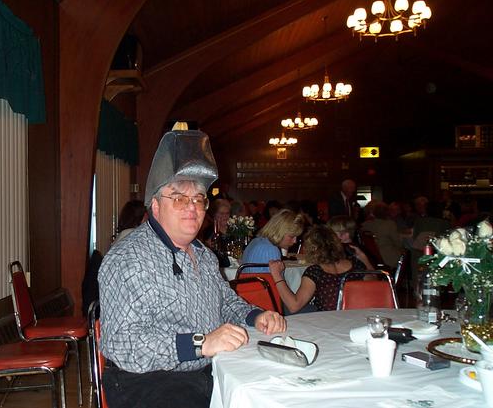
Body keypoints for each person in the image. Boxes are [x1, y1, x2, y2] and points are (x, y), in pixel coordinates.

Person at [98, 130, 286, 408]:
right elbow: (124, 344)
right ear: (156, 206)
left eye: (198, 199)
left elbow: (226, 302)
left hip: (205, 369)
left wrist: (256, 316)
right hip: (145, 381)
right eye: (179, 198)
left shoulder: (204, 255)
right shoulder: (129, 258)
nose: (192, 207)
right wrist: (201, 343)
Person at [269, 225, 366, 313]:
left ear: (312, 249)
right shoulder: (357, 265)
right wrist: (364, 258)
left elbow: (294, 306)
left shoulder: (316, 272)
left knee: (283, 308)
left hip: (328, 320)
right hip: (357, 315)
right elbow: (374, 287)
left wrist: (277, 276)